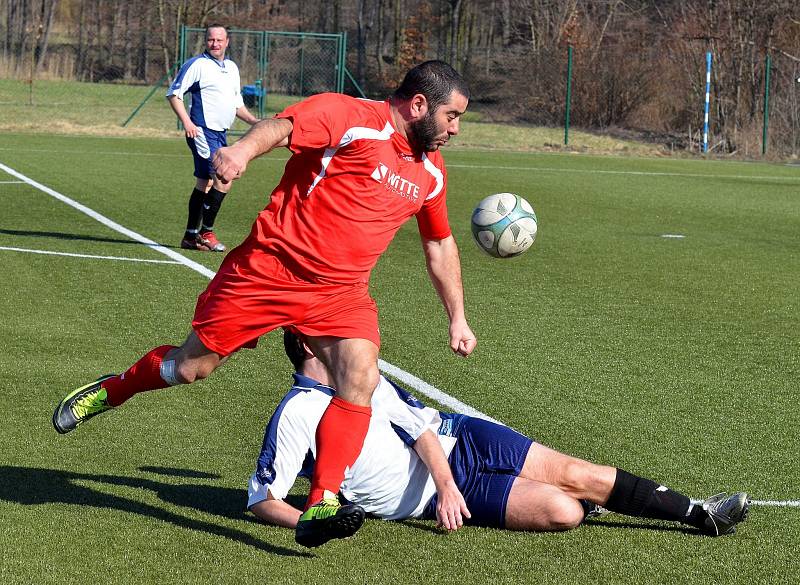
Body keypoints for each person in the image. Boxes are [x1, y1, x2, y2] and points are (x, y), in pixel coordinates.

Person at [52, 60, 477, 548]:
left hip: (340, 293)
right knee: (191, 369)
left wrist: (457, 318)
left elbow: (440, 244)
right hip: (269, 272)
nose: (455, 129)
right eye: (451, 116)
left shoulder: (430, 173)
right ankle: (115, 388)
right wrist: (240, 151)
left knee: (359, 377)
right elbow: (282, 127)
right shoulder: (352, 116)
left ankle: (323, 499)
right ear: (419, 105)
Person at [249, 330, 749, 539]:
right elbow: (262, 499)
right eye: (333, 332)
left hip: (460, 443)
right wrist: (310, 524)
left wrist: (446, 484)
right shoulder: (296, 413)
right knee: (564, 511)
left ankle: (699, 513)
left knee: (576, 473)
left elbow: (421, 429)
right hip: (428, 500)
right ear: (309, 342)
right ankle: (591, 498)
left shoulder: (364, 378)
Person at [167, 24, 259, 252]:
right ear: (205, 41)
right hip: (201, 132)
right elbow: (174, 94)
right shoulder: (197, 65)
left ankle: (190, 236)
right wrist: (187, 123)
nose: (215, 44)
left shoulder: (232, 68)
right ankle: (206, 232)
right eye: (211, 40)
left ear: (227, 42)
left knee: (205, 183)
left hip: (220, 134)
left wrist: (257, 123)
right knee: (224, 177)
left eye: (219, 40)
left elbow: (237, 104)